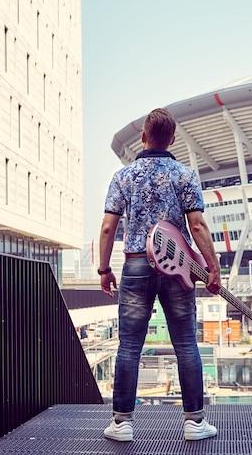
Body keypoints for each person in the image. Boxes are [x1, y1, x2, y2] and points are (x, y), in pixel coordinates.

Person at [96, 108, 222, 442]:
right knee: (185, 343)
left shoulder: (124, 177)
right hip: (177, 267)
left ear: (143, 136)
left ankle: (121, 423)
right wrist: (212, 266)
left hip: (136, 265)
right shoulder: (184, 175)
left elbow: (109, 227)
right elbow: (197, 225)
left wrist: (104, 268)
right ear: (173, 138)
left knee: (129, 346)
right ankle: (194, 423)